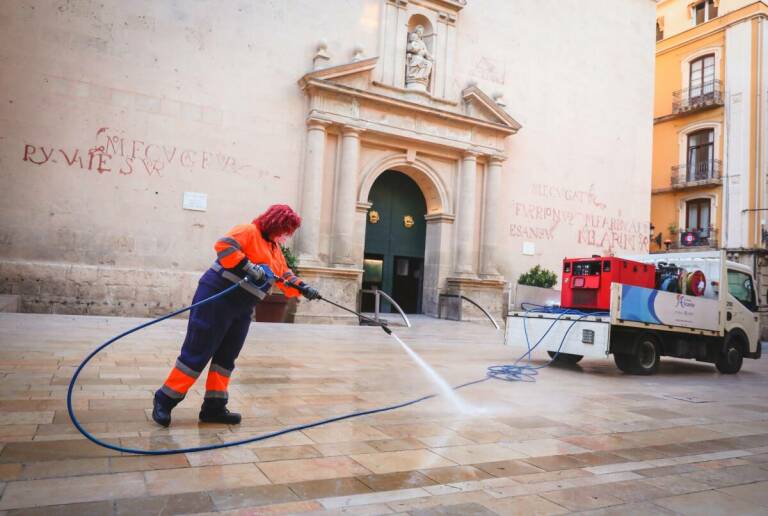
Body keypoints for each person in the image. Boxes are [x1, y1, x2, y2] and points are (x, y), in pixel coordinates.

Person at [152, 204, 320, 427]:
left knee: (226, 358)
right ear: (274, 223)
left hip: (242, 307)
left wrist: (303, 288)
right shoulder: (248, 231)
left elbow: (283, 275)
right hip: (216, 298)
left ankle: (214, 407)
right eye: (284, 229)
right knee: (197, 352)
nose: (285, 235)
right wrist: (248, 266)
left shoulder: (274, 248)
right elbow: (224, 245)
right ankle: (165, 399)